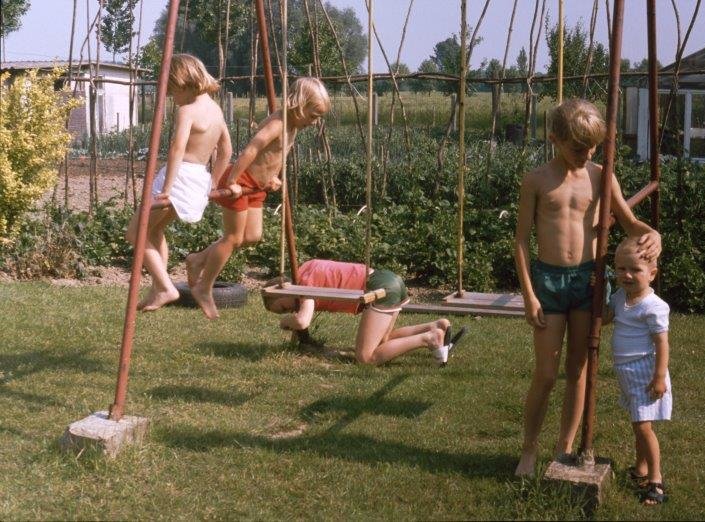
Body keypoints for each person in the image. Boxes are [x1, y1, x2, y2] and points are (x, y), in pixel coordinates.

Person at [513, 98, 662, 477]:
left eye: (593, 147)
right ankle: (529, 449)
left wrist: (653, 234)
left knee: (577, 370)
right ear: (555, 139)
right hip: (548, 282)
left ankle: (564, 448)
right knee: (546, 374)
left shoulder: (601, 176)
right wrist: (529, 295)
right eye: (579, 148)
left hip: (587, 281)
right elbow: (521, 242)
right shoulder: (536, 180)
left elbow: (631, 224)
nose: (588, 154)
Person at [186, 77, 331, 319]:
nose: (315, 121)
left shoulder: (293, 126)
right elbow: (252, 149)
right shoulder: (278, 123)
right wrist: (232, 180)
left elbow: (274, 155)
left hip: (256, 185)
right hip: (241, 181)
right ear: (300, 105)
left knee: (252, 236)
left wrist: (272, 176)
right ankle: (204, 286)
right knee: (233, 238)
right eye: (313, 115)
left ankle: (198, 259)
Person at [125, 53, 232, 312]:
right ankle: (157, 289)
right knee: (154, 231)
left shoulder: (187, 111)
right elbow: (226, 150)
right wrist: (213, 184)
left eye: (173, 91)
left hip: (178, 178)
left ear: (185, 83)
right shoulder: (216, 111)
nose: (172, 98)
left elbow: (177, 149)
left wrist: (166, 189)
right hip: (198, 179)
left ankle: (165, 287)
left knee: (135, 233)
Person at [263, 259, 468, 366]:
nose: (289, 309)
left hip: (379, 289)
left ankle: (429, 338)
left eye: (283, 307)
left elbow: (302, 321)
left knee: (366, 357)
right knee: (383, 341)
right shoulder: (306, 268)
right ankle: (436, 326)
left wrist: (286, 321)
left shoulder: (303, 285)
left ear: (283, 289)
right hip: (388, 279)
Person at [604, 237, 671, 506]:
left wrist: (659, 377)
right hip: (626, 372)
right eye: (621, 269)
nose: (627, 275)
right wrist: (600, 291)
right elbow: (605, 318)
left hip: (645, 373)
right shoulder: (621, 297)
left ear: (652, 274)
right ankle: (641, 469)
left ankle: (656, 480)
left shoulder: (654, 306)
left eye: (635, 269)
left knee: (644, 428)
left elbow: (662, 343)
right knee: (638, 424)